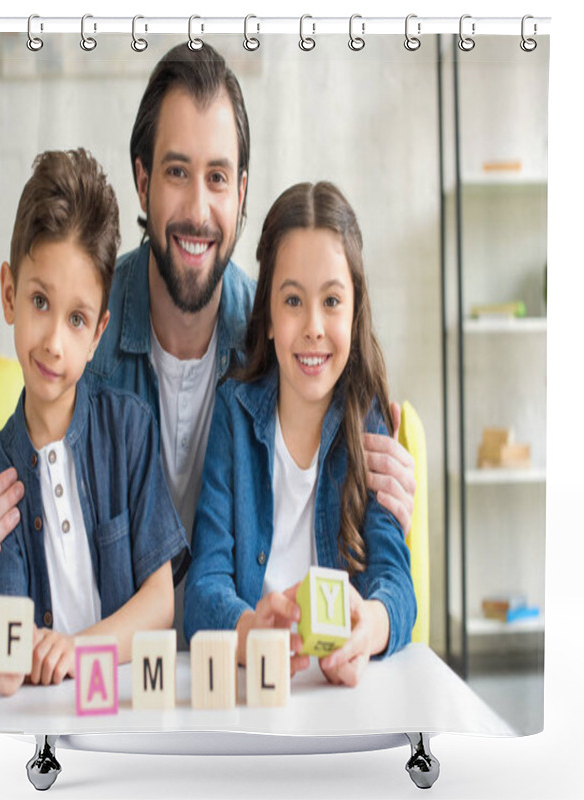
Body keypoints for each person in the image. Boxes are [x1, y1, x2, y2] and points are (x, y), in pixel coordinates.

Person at [0, 43, 416, 645]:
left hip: (234, 677)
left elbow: (374, 558)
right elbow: (44, 547)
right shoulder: (83, 325)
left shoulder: (275, 344)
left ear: (242, 192)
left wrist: (377, 491)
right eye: (177, 172)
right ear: (143, 180)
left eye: (218, 178)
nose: (199, 210)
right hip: (114, 681)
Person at [0, 149, 189, 696]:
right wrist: (0, 662)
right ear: (8, 293)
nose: (53, 342)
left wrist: (78, 648)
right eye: (40, 301)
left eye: (76, 319)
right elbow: (9, 637)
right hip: (44, 715)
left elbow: (161, 604)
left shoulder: (130, 430)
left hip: (125, 702)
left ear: (98, 333)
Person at [184, 182, 416, 687]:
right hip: (254, 687)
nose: (313, 326)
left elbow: (397, 584)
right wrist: (248, 630)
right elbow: (203, 587)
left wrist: (369, 627)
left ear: (355, 313)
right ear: (267, 316)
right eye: (293, 300)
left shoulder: (369, 419)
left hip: (338, 692)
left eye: (332, 300)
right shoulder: (234, 415)